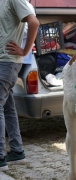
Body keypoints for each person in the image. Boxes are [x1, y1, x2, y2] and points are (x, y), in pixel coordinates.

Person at [0, 0, 39, 171]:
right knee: (8, 107)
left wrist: (25, 50)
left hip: (7, 62)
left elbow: (34, 22)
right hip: (2, 61)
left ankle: (0, 157)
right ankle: (16, 151)